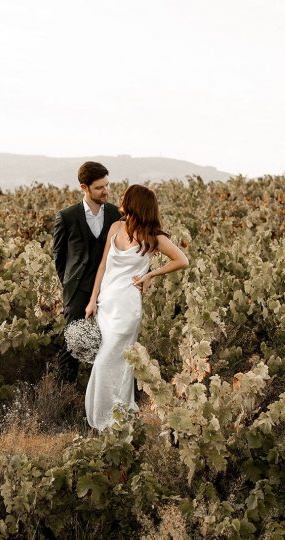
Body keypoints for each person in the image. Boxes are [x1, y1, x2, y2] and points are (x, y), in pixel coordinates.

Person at [84, 184, 189, 431]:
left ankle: (109, 419)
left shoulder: (154, 237)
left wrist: (151, 274)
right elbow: (102, 266)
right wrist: (92, 299)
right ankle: (112, 420)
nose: (121, 200)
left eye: (126, 197)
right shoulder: (115, 227)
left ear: (134, 203)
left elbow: (182, 260)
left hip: (127, 307)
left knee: (107, 360)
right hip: (106, 304)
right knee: (111, 360)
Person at [53, 162, 122, 385]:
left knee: (108, 343)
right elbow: (59, 257)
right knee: (71, 344)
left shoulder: (115, 213)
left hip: (108, 290)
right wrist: (69, 285)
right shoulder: (67, 216)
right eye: (100, 187)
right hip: (77, 291)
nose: (106, 191)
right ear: (84, 188)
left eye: (107, 185)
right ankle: (64, 396)